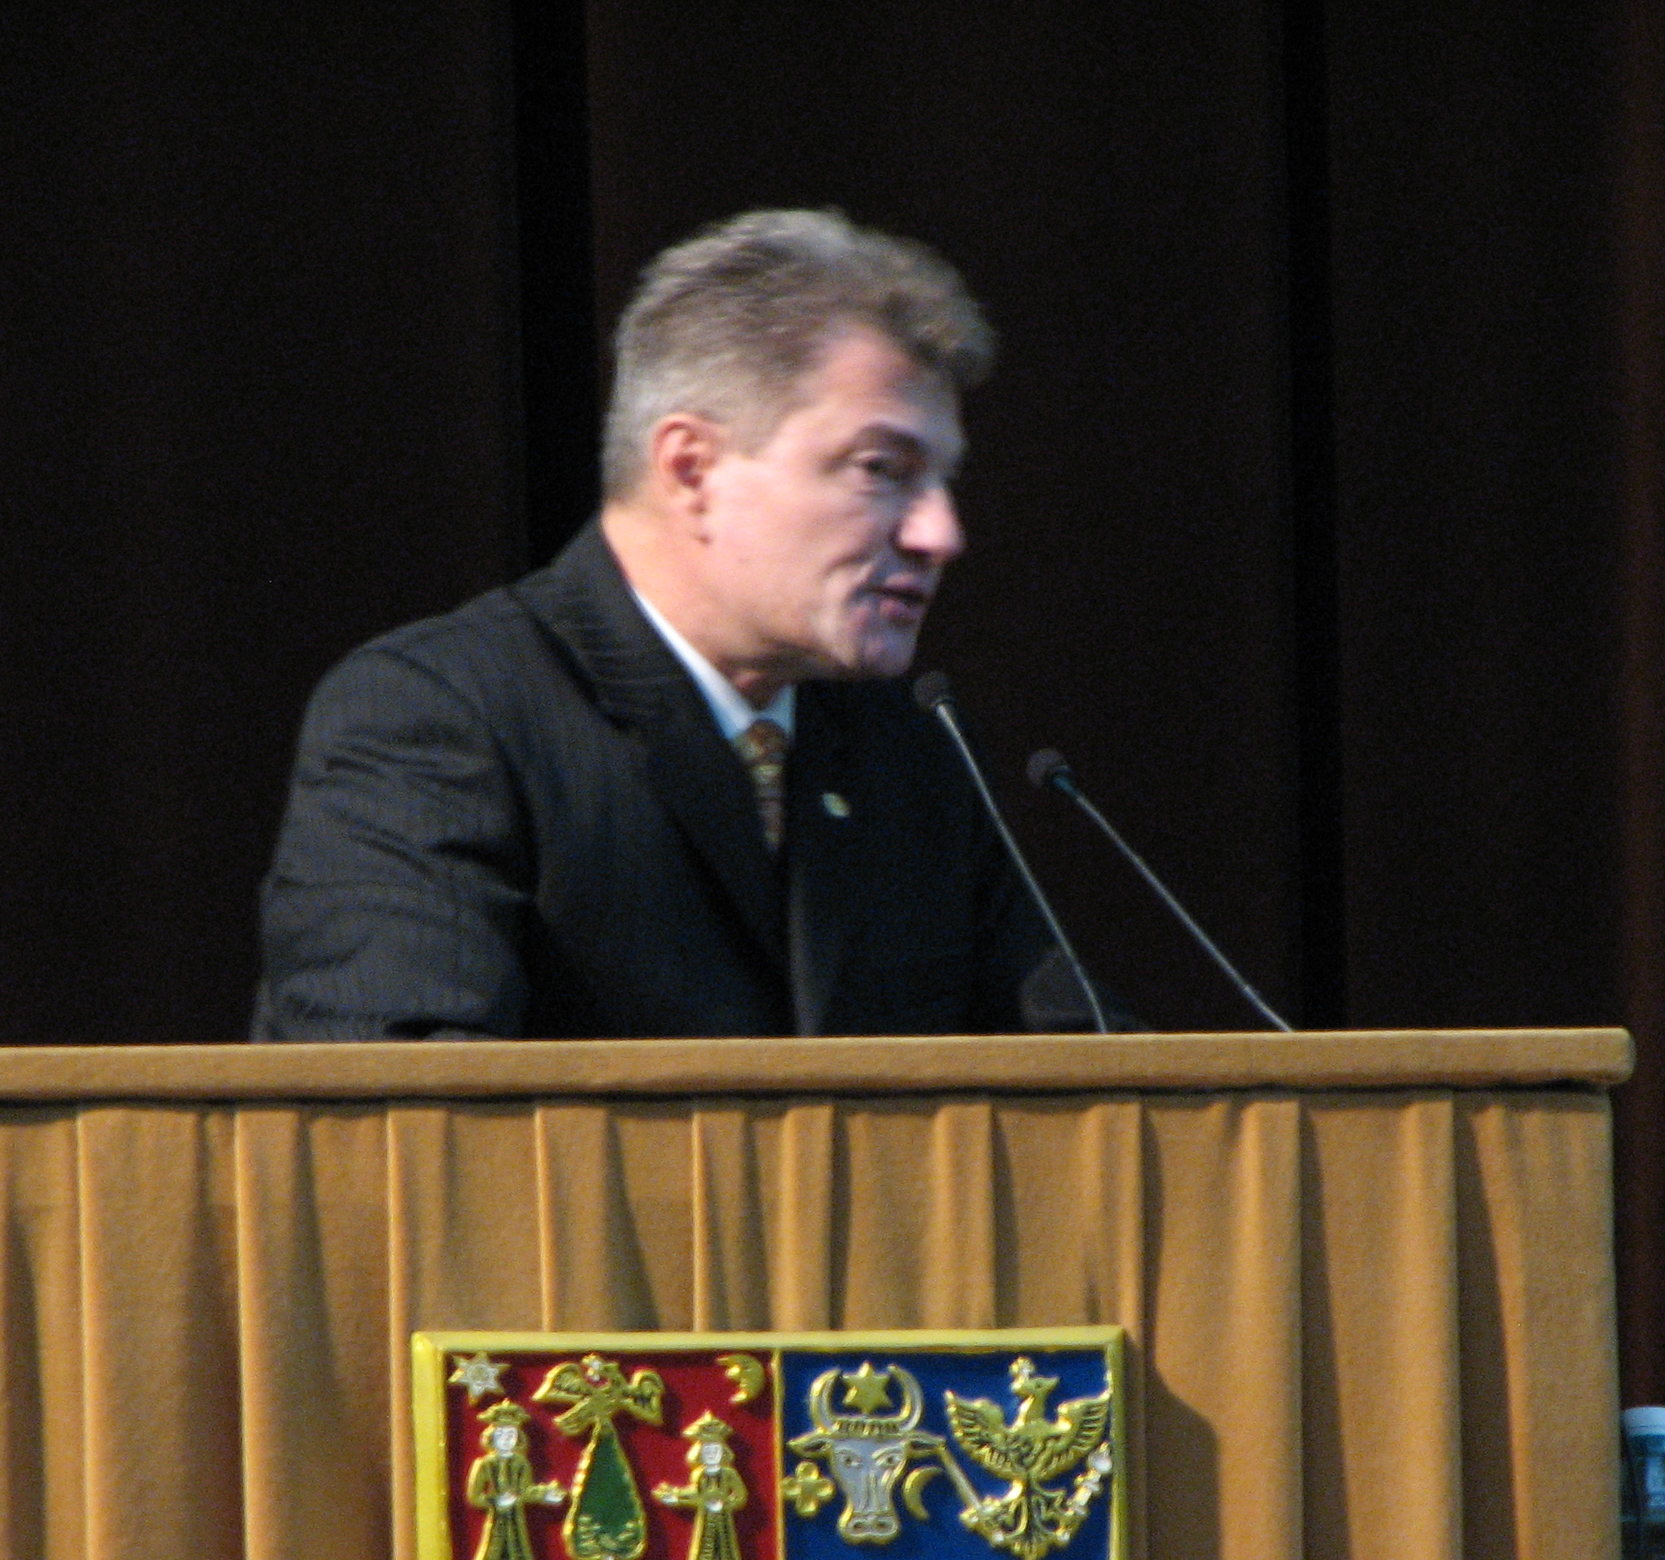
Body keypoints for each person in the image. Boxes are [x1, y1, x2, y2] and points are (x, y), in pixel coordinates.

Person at [250, 208, 1083, 1040]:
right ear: (691, 469)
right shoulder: (443, 717)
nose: (941, 533)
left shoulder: (913, 749)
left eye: (942, 480)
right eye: (882, 469)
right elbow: (403, 1099)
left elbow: (1082, 1070)